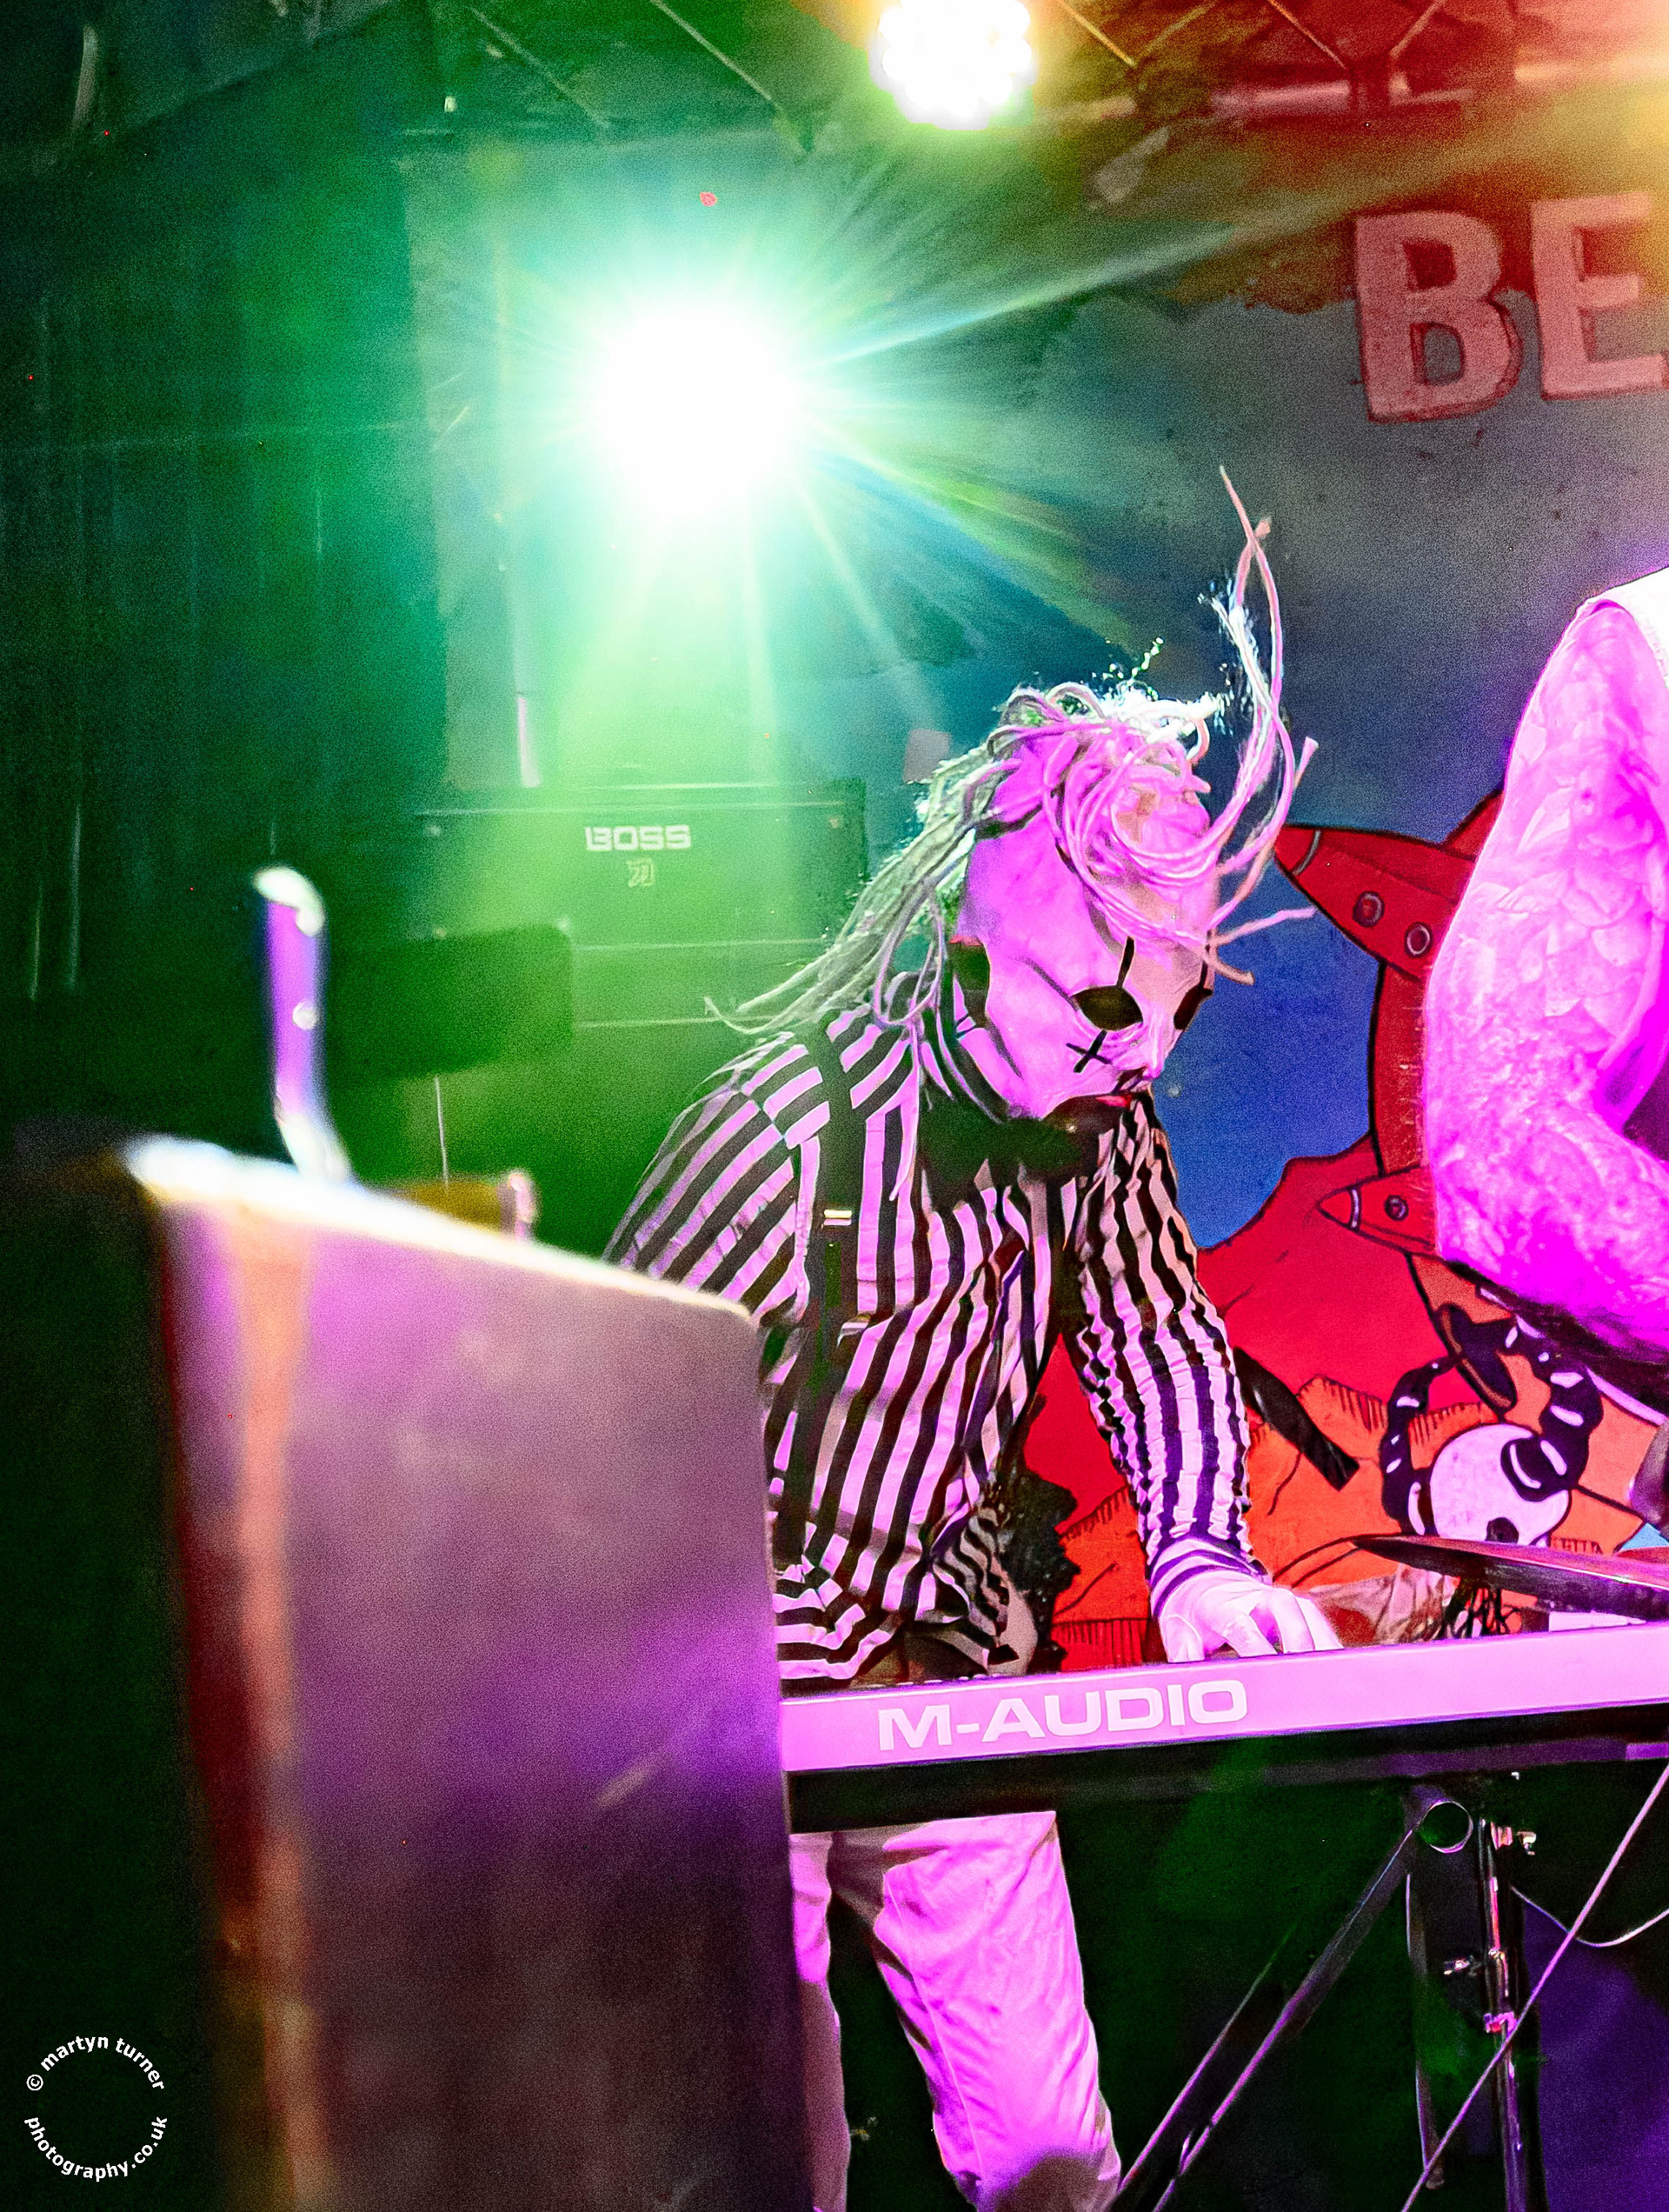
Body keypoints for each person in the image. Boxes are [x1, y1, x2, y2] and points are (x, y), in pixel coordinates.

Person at [607, 488, 1340, 2212]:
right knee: (765, 2154)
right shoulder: (784, 1136)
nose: (1138, 1057)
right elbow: (602, 1441)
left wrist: (1201, 1554)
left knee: (1052, 2157)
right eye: (1101, 1008)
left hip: (951, 1671)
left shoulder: (1095, 1125)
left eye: (1173, 1011)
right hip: (743, 1711)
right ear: (961, 955)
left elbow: (1157, 1337)